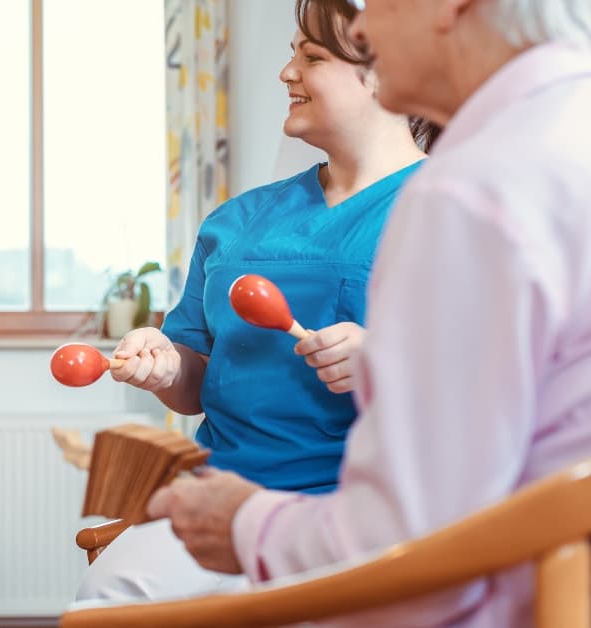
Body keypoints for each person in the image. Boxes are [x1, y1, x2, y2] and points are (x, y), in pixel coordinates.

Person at [144, 0, 591, 625]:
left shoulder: (473, 186)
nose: (362, 29)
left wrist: (244, 523)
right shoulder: (561, 135)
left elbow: (411, 549)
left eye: (369, 6)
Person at [77, 0, 435, 602]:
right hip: (217, 496)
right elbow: (193, 382)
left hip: (358, 514)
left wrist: (387, 358)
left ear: (381, 71)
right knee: (106, 599)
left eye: (312, 56)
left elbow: (489, 385)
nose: (286, 72)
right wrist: (166, 365)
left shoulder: (445, 209)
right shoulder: (235, 222)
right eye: (292, 53)